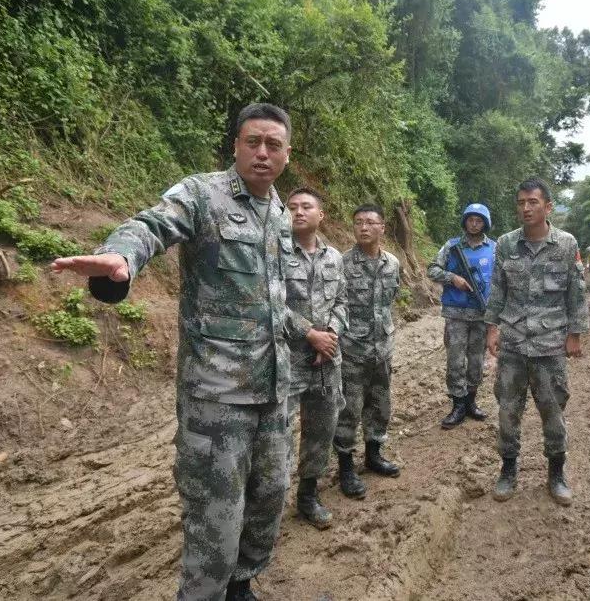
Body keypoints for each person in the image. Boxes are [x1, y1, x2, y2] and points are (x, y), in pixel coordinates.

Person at [50, 103, 319, 601]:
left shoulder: (282, 215)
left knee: (267, 502)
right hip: (217, 397)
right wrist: (121, 256)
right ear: (236, 146)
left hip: (275, 392)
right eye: (252, 142)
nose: (263, 153)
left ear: (286, 154)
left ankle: (242, 585)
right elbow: (152, 225)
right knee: (215, 522)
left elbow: (274, 303)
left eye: (273, 145)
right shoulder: (202, 195)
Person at [485, 177, 590, 505]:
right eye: (521, 202)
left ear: (548, 207)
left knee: (553, 409)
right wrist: (492, 328)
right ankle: (508, 470)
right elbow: (498, 288)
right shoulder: (505, 243)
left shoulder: (566, 244)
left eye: (532, 202)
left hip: (550, 344)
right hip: (514, 342)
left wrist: (575, 334)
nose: (526, 208)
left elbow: (577, 291)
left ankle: (556, 473)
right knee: (508, 408)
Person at [283, 187, 348, 529]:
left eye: (306, 206)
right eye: (291, 207)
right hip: (286, 361)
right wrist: (310, 333)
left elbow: (342, 301)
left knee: (321, 430)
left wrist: (332, 335)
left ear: (321, 215)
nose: (298, 211)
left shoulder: (335, 258)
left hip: (327, 361)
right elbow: (270, 304)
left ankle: (308, 495)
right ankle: (268, 504)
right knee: (279, 436)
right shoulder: (275, 253)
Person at [333, 204, 402, 498]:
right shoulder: (342, 264)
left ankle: (374, 455)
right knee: (348, 409)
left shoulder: (393, 264)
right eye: (358, 222)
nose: (363, 227)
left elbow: (390, 300)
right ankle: (346, 467)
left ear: (382, 228)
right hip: (351, 350)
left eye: (370, 222)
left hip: (382, 349)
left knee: (380, 405)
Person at [427, 203, 495, 429]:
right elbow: (432, 269)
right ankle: (457, 405)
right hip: (456, 314)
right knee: (455, 361)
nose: (474, 224)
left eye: (479, 220)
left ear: (485, 223)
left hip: (481, 314)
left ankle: (471, 402)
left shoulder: (494, 248)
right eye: (470, 219)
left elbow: (501, 281)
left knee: (476, 361)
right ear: (464, 221)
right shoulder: (452, 246)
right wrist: (452, 278)